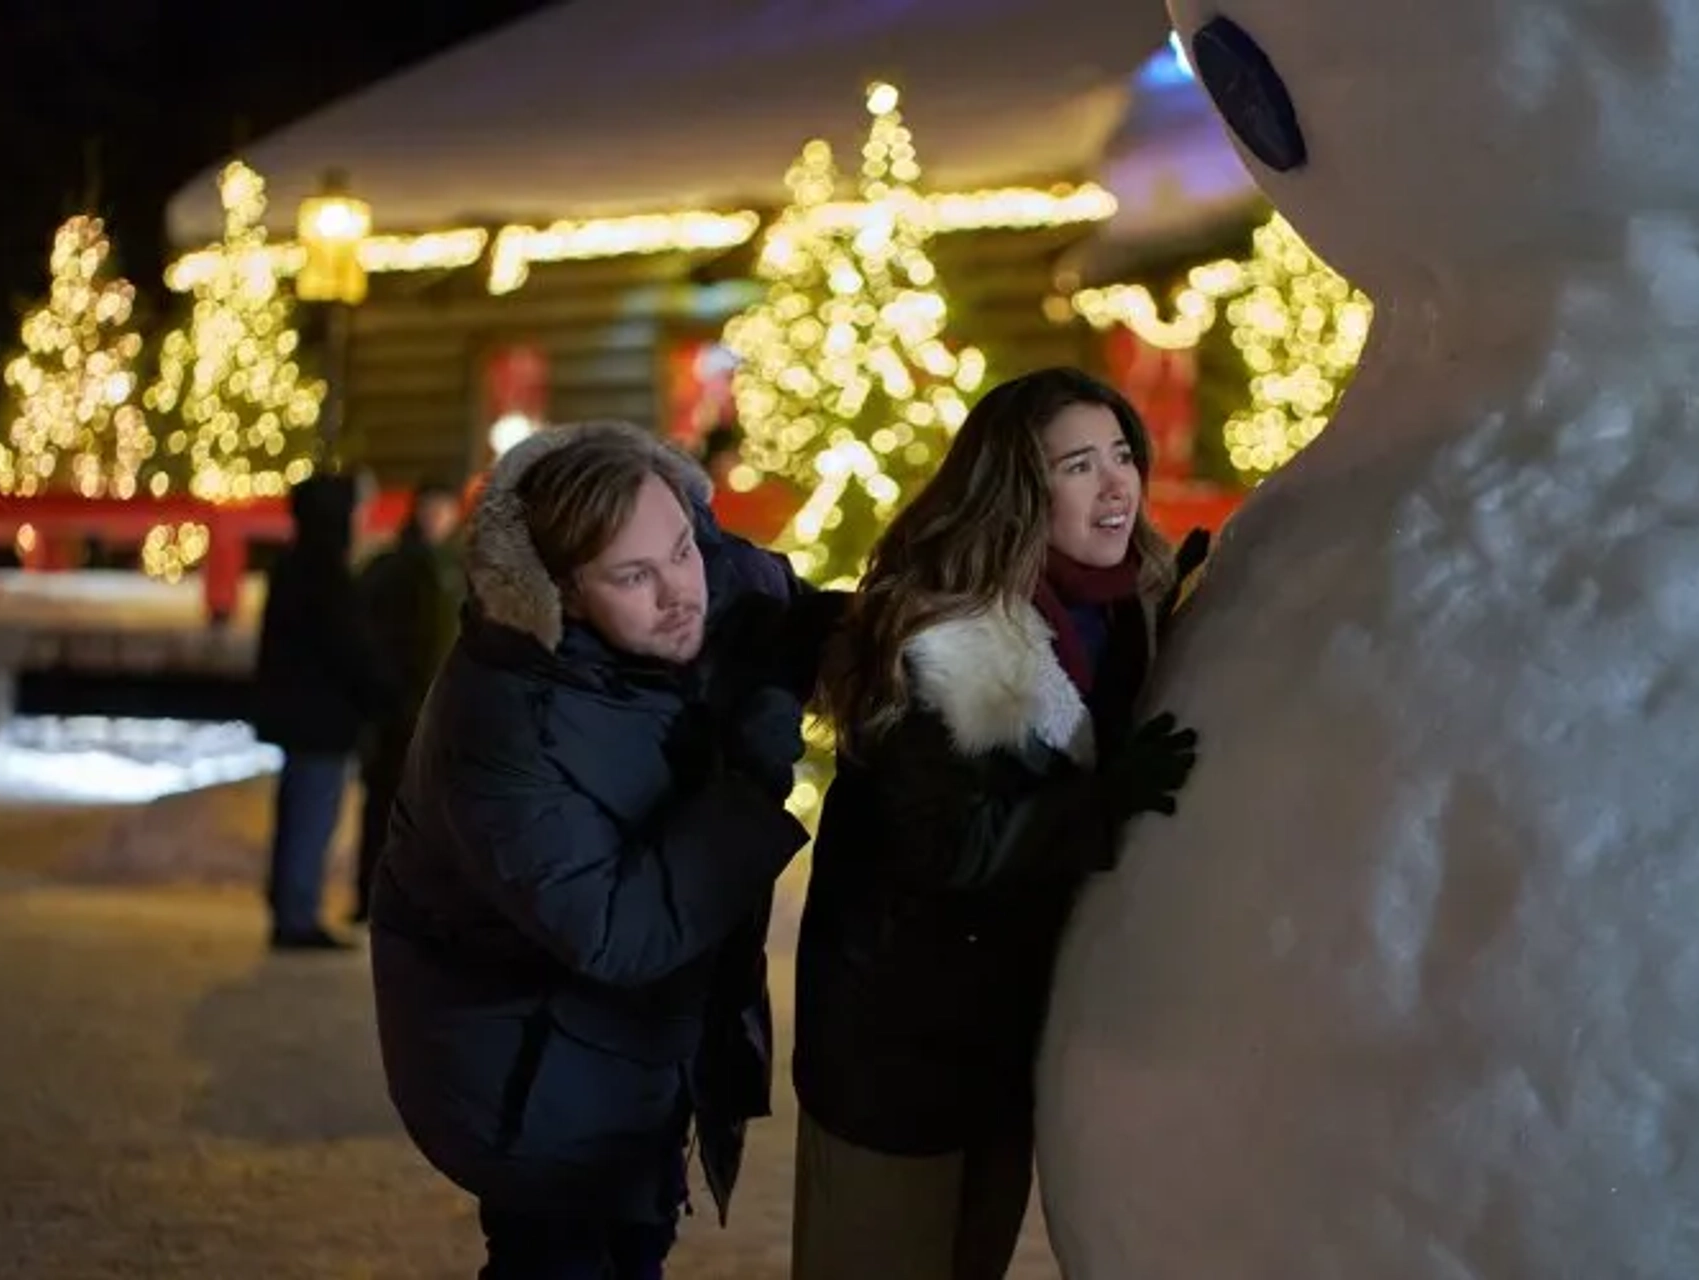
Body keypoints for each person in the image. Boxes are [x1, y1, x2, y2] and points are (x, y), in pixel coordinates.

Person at [370, 421, 835, 1279]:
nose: (677, 592)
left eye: (682, 552)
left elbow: (804, 620)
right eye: (633, 577)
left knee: (634, 1246)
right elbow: (618, 932)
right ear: (563, 593)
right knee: (560, 1257)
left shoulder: (705, 583)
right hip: (527, 1078)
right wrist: (754, 764)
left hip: (635, 1058)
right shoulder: (502, 722)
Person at [791, 367, 1201, 1280]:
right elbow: (947, 847)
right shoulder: (942, 638)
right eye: (1078, 466)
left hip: (1010, 1041)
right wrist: (1100, 800)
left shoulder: (1126, 608)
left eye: (1123, 456)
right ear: (1019, 490)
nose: (1116, 485)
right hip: (895, 1052)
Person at [252, 472, 389, 951]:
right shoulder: (324, 572)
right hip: (321, 716)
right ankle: (296, 913)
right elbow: (347, 647)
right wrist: (380, 692)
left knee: (300, 810)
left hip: (301, 713)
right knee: (312, 813)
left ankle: (290, 905)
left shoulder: (295, 565)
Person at [352, 479, 464, 925]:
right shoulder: (402, 567)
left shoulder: (452, 567)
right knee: (387, 805)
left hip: (430, 708)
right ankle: (375, 896)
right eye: (432, 509)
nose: (438, 519)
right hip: (399, 708)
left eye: (445, 510)